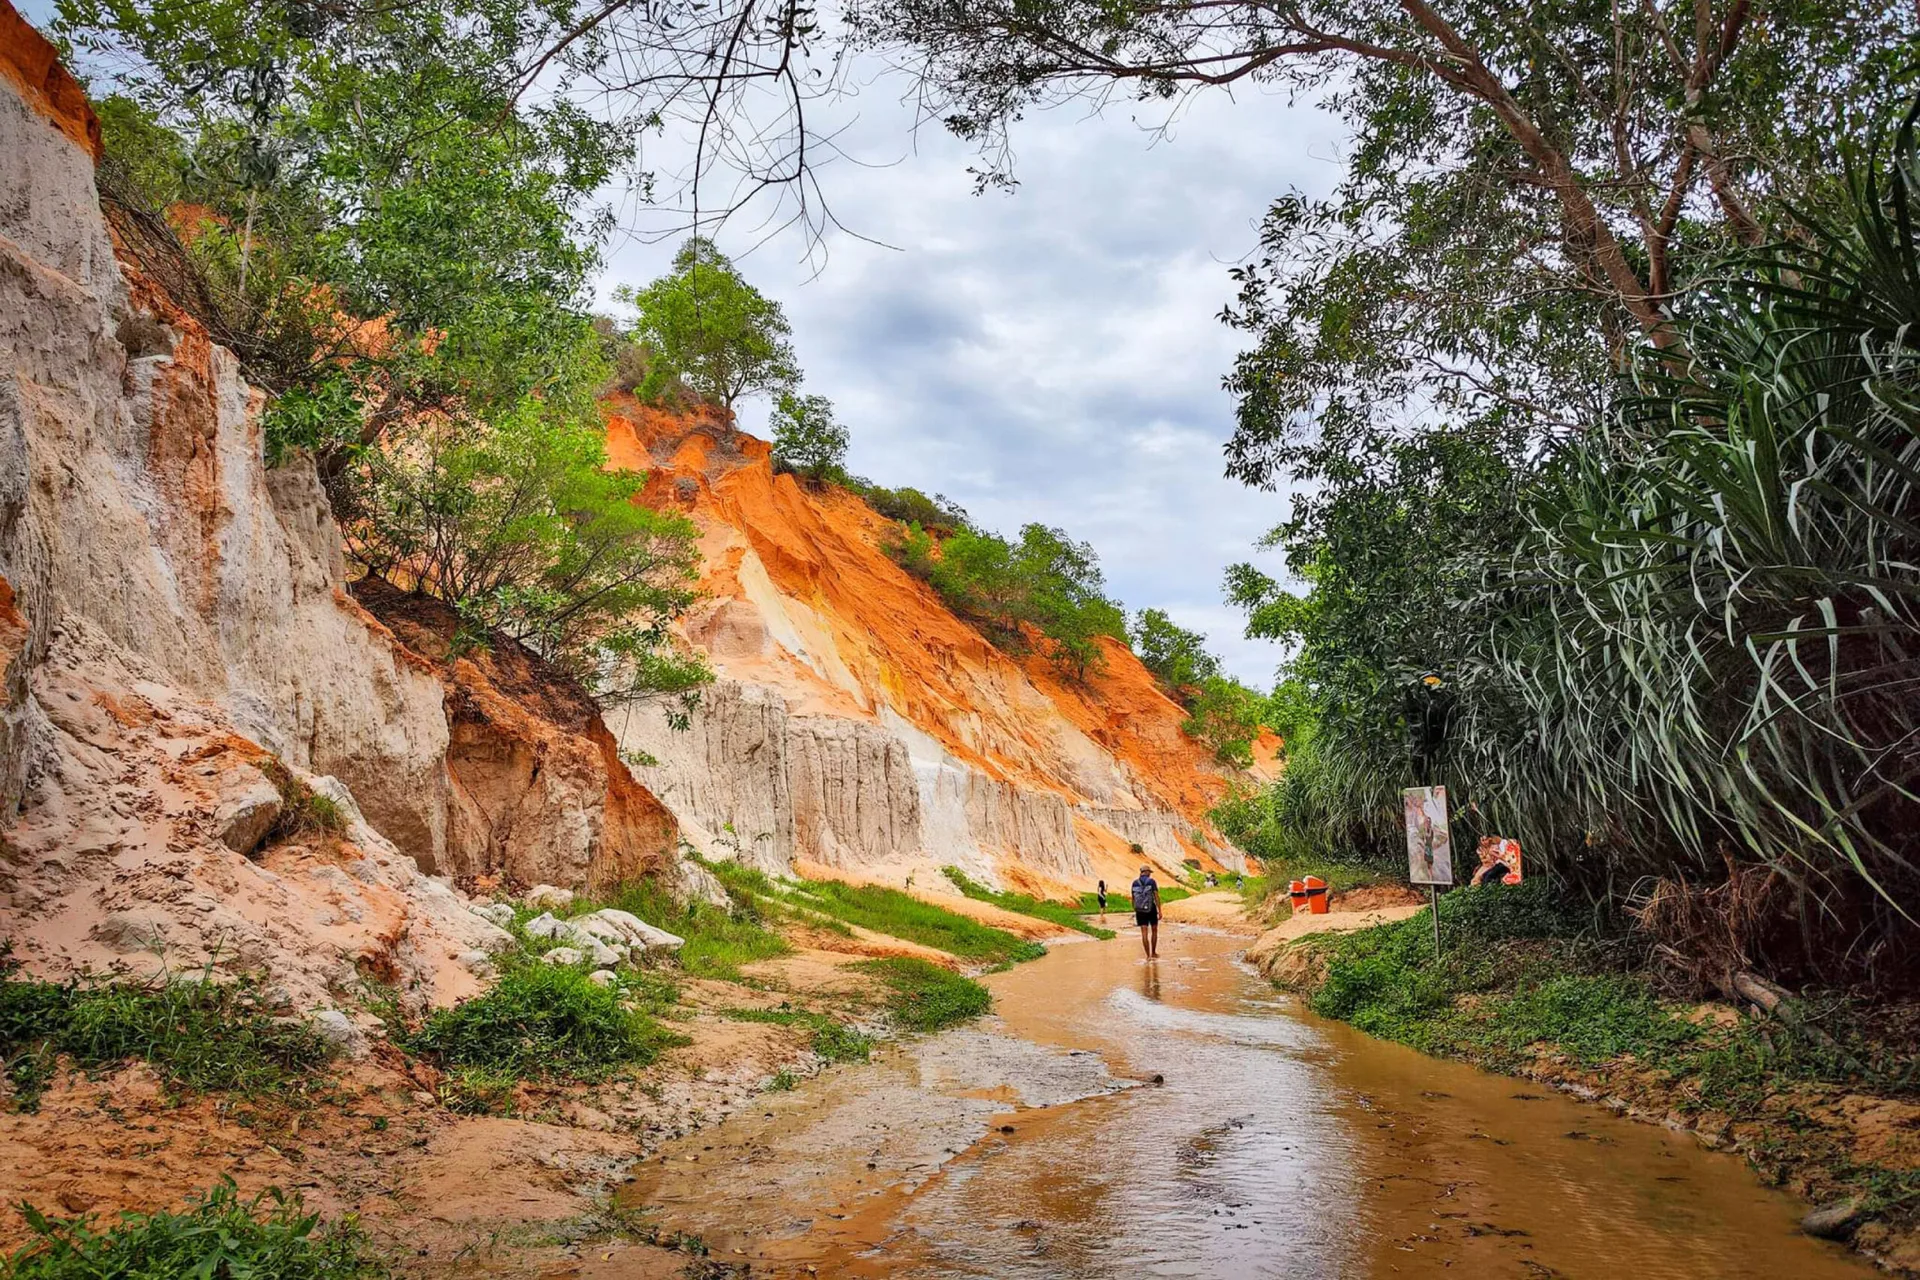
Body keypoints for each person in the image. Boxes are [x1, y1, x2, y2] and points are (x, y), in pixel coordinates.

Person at [1130, 865, 1162, 958]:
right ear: (1147, 872)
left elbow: (1133, 898)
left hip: (1140, 910)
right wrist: (1159, 910)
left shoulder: (1134, 883)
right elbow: (1156, 896)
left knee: (1144, 933)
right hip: (1151, 908)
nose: (1150, 875)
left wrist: (1135, 909)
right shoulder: (1151, 882)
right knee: (1154, 930)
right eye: (1149, 873)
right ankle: (1153, 953)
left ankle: (1148, 956)